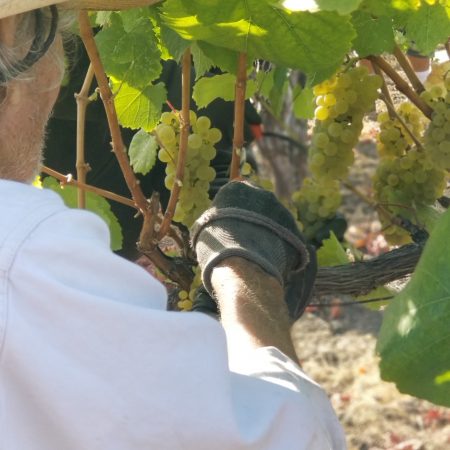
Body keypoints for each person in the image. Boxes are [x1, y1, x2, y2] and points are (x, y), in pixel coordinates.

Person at [0, 2, 347, 449]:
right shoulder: (21, 255)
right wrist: (248, 281)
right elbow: (284, 437)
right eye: (59, 38)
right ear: (13, 41)